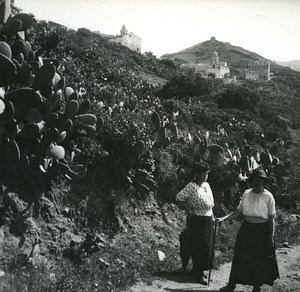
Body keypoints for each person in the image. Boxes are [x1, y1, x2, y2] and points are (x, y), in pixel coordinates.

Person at [217, 168, 279, 292]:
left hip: (262, 231)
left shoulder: (268, 196)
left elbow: (271, 218)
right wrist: (223, 218)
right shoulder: (246, 193)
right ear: (251, 181)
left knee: (258, 258)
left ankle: (257, 286)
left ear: (264, 182)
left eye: (260, 181)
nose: (257, 183)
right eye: (255, 180)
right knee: (239, 256)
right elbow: (238, 212)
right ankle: (231, 284)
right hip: (246, 229)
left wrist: (270, 237)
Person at [176, 162, 215, 285]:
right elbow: (179, 197)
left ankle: (197, 270)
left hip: (208, 219)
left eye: (206, 173)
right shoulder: (191, 186)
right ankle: (199, 274)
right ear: (195, 174)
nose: (205, 176)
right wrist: (188, 210)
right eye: (202, 173)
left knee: (207, 247)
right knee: (199, 247)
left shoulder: (207, 186)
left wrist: (213, 218)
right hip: (196, 220)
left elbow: (210, 204)